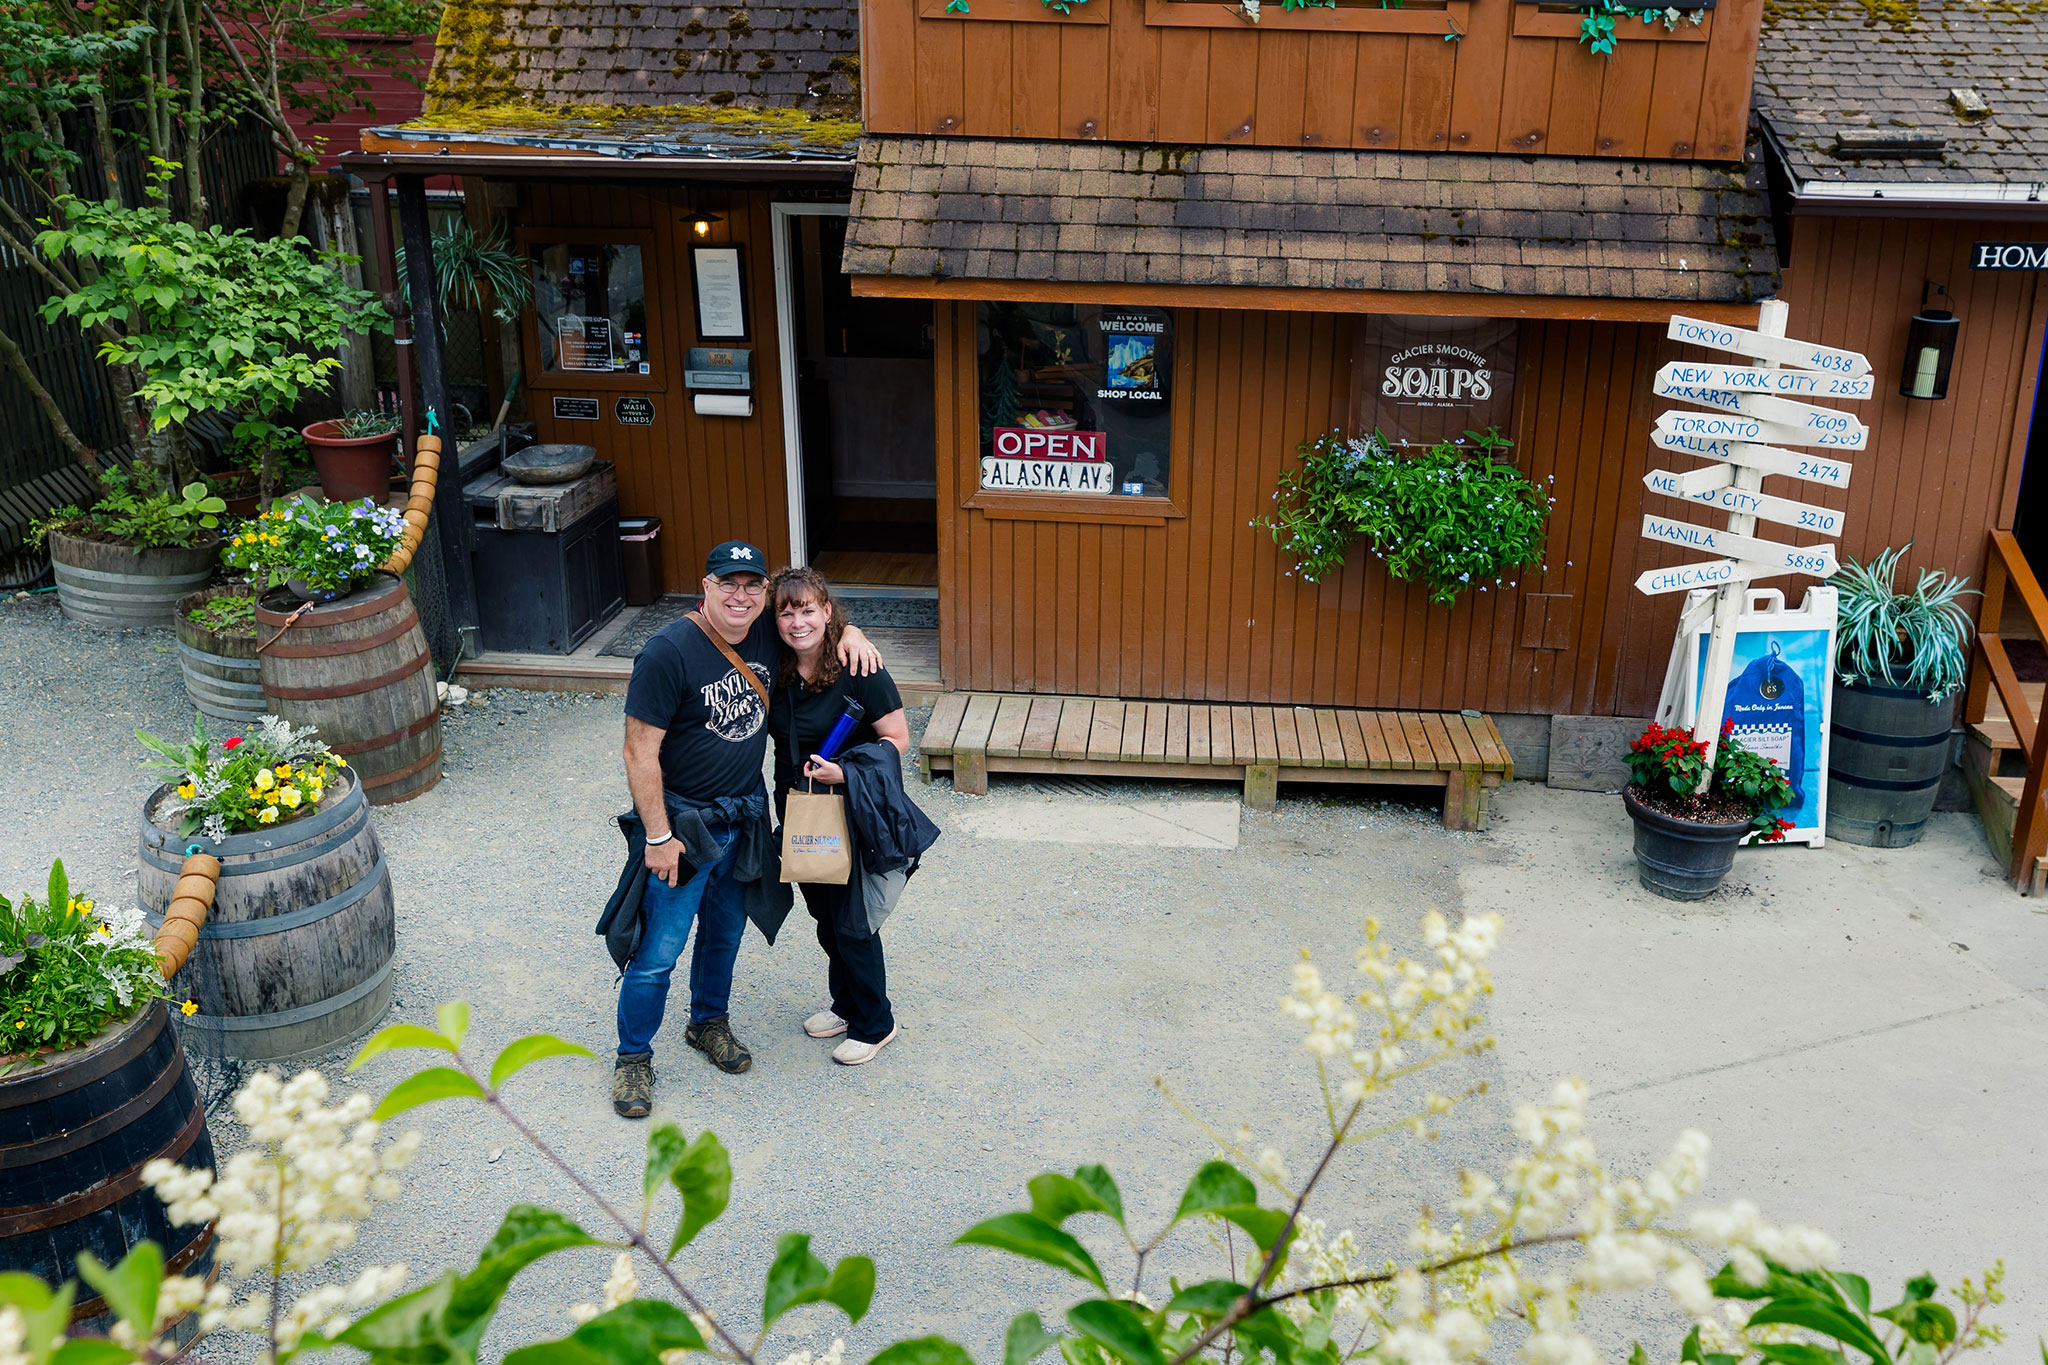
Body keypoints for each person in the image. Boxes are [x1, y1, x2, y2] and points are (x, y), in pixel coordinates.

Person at [610, 540, 882, 1119]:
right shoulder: (667, 652)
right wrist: (658, 837)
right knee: (659, 950)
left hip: (747, 819)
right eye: (727, 583)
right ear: (704, 586)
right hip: (684, 827)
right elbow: (638, 751)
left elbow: (815, 618)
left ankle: (707, 1022)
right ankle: (633, 1058)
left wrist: (854, 633)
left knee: (723, 935)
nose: (741, 595)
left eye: (751, 585)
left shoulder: (762, 632)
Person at [767, 566, 922, 1066]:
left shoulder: (860, 667)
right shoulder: (774, 664)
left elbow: (897, 740)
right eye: (786, 612)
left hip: (850, 810)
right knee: (825, 917)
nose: (797, 623)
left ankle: (877, 1023)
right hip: (798, 809)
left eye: (807, 610)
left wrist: (845, 772)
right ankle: (846, 1004)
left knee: (853, 920)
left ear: (827, 611)